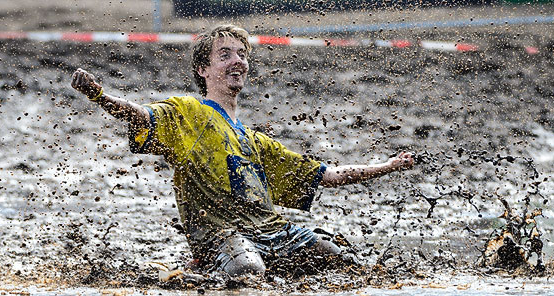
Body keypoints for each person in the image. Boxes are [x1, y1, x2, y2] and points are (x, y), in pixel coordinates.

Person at [71, 24, 414, 278]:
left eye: (242, 54)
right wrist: (100, 96)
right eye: (225, 55)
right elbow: (141, 114)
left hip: (278, 232)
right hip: (223, 236)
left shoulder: (256, 141)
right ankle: (196, 272)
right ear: (203, 70)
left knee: (350, 266)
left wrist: (390, 165)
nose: (238, 61)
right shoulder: (187, 112)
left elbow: (328, 175)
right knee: (248, 273)